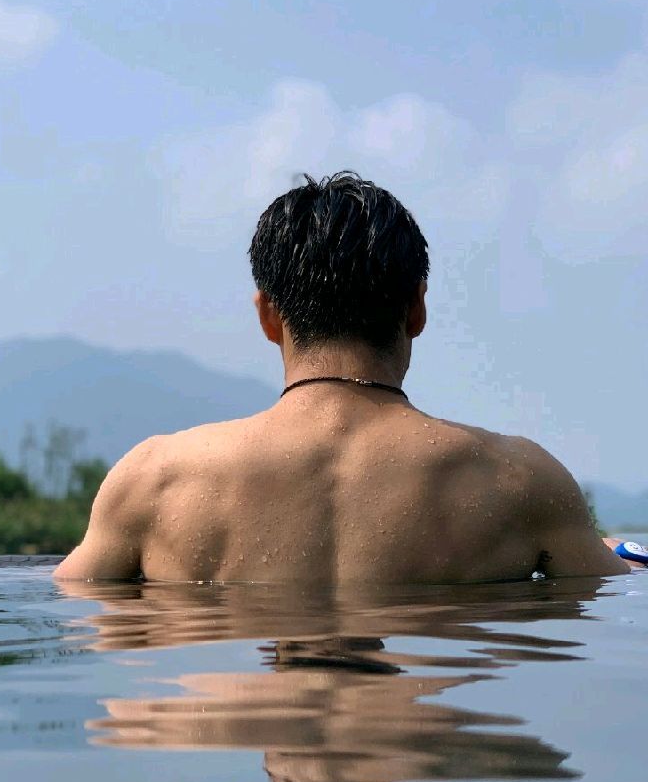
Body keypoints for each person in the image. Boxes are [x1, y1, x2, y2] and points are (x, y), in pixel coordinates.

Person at [55, 172, 637, 583]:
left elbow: (75, 604)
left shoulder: (154, 479)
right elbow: (604, 596)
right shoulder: (521, 480)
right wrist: (615, 553)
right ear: (417, 309)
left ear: (267, 316)